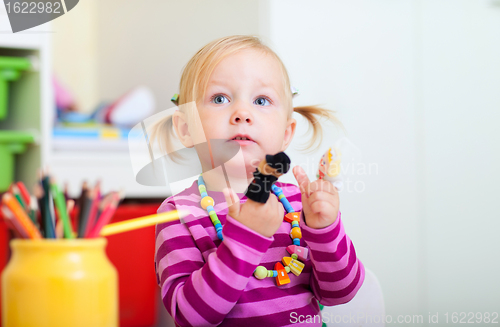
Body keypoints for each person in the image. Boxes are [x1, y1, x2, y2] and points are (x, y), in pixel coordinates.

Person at [153, 35, 365, 326]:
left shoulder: (298, 205)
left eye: (261, 100)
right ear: (186, 128)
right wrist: (245, 239)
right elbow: (190, 317)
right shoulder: (180, 214)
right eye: (220, 98)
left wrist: (326, 230)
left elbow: (341, 292)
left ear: (286, 133)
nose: (242, 113)